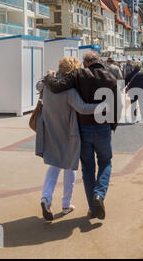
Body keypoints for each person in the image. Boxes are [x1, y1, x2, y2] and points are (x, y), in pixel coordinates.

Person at [43, 52, 120, 220]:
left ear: (85, 63)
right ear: (99, 62)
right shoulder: (111, 78)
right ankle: (99, 195)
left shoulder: (79, 75)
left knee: (88, 168)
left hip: (84, 128)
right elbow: (116, 106)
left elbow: (57, 86)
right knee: (106, 162)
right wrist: (111, 126)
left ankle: (93, 208)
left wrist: (48, 77)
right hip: (103, 128)